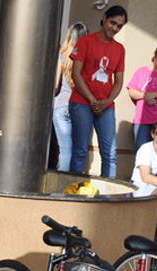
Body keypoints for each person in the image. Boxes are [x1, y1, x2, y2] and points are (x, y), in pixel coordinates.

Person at [69, 4, 127, 179]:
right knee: (80, 150)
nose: (114, 28)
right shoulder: (85, 41)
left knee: (110, 153)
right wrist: (92, 99)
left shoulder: (119, 49)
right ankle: (73, 192)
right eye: (112, 23)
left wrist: (107, 101)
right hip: (81, 102)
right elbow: (75, 74)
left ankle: (108, 195)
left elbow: (118, 82)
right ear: (104, 18)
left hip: (106, 106)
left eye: (119, 26)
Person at [53, 22, 87, 171]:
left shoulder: (62, 53)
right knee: (78, 148)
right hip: (80, 105)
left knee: (65, 148)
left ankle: (62, 186)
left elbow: (55, 85)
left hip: (61, 104)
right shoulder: (86, 55)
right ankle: (73, 186)